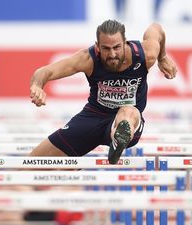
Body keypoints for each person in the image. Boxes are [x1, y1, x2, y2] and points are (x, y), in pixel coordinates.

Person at [29, 20, 177, 164]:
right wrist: (37, 86)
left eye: (117, 47)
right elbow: (45, 72)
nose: (112, 54)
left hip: (127, 119)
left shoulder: (145, 55)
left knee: (128, 112)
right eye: (106, 48)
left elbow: (156, 28)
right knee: (29, 164)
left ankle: (118, 139)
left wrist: (162, 57)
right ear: (97, 46)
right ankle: (69, 169)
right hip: (92, 118)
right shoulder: (88, 58)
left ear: (125, 43)